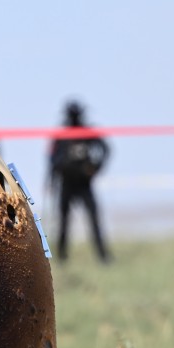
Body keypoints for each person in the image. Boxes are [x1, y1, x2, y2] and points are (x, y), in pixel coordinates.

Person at [49, 101, 111, 262]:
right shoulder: (61, 136)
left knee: (93, 218)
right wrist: (54, 177)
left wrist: (95, 168)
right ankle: (62, 256)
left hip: (84, 182)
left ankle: (102, 256)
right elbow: (52, 160)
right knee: (63, 221)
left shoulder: (88, 133)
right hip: (66, 182)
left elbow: (105, 149)